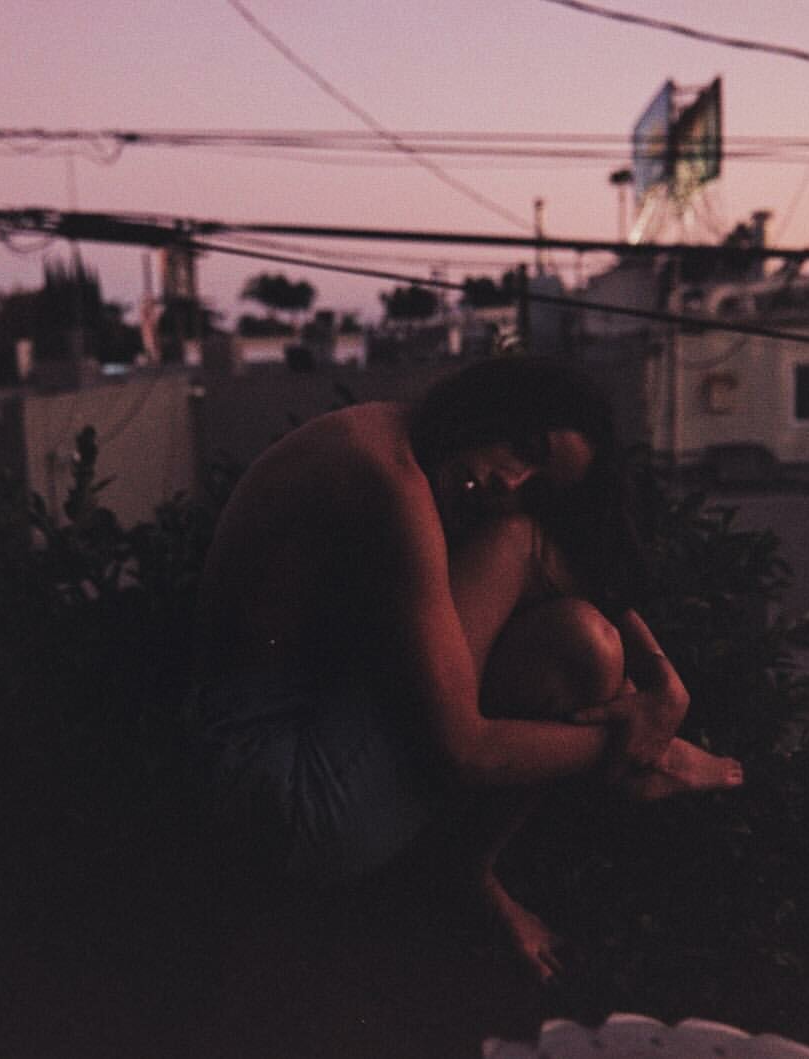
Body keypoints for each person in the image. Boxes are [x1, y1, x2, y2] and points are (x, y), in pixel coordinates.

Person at [188, 356, 743, 983]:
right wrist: (633, 744)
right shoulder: (389, 477)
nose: (511, 481)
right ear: (496, 403)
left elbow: (589, 564)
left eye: (536, 484)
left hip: (291, 753)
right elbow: (466, 752)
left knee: (583, 641)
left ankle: (469, 869)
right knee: (525, 547)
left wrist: (661, 682)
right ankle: (472, 862)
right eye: (524, 448)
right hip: (284, 796)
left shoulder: (405, 439)